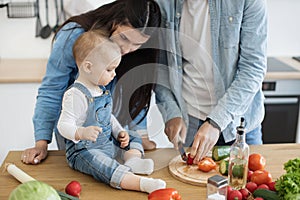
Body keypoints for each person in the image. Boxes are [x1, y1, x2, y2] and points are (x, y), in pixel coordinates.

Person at [21, 0, 161, 165]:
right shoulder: (73, 35)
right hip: (76, 126)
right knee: (84, 166)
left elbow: (137, 91)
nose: (126, 49)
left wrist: (140, 133)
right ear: (115, 21)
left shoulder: (135, 52)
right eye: (123, 37)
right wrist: (41, 143)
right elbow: (52, 90)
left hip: (108, 122)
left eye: (137, 44)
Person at [154, 0, 268, 163]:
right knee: (191, 186)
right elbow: (160, 65)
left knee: (246, 185)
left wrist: (216, 121)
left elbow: (253, 68)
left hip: (239, 122)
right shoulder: (163, 3)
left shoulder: (248, 2)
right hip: (190, 121)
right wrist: (171, 111)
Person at [57, 30, 166, 193]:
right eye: (109, 70)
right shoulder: (75, 95)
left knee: (134, 136)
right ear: (88, 67)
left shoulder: (100, 90)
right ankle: (141, 184)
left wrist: (119, 131)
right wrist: (81, 132)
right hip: (85, 151)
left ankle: (133, 161)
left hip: (107, 143)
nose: (114, 74)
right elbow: (63, 125)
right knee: (104, 165)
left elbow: (109, 116)